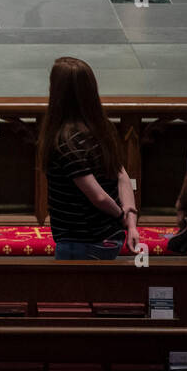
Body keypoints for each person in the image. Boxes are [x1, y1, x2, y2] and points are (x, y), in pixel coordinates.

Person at [37, 56, 141, 260]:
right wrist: (131, 221)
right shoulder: (101, 129)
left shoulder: (66, 141)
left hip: (83, 242)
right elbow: (122, 175)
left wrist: (121, 216)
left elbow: (98, 196)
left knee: (74, 292)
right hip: (109, 238)